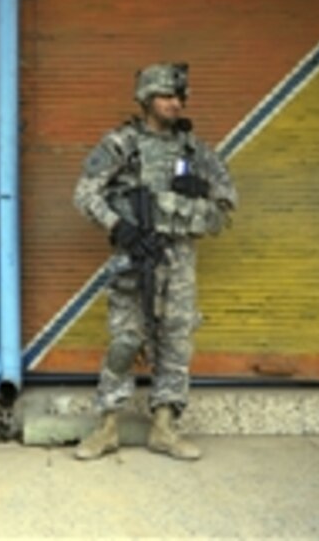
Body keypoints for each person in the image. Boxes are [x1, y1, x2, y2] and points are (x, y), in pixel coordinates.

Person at [72, 62, 237, 461]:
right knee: (126, 340)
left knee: (175, 340)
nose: (174, 104)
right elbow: (84, 194)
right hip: (134, 253)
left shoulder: (194, 151)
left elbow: (227, 204)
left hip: (178, 257)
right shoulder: (121, 145)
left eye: (179, 97)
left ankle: (164, 427)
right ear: (146, 99)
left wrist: (196, 200)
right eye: (166, 96)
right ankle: (108, 426)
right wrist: (118, 227)